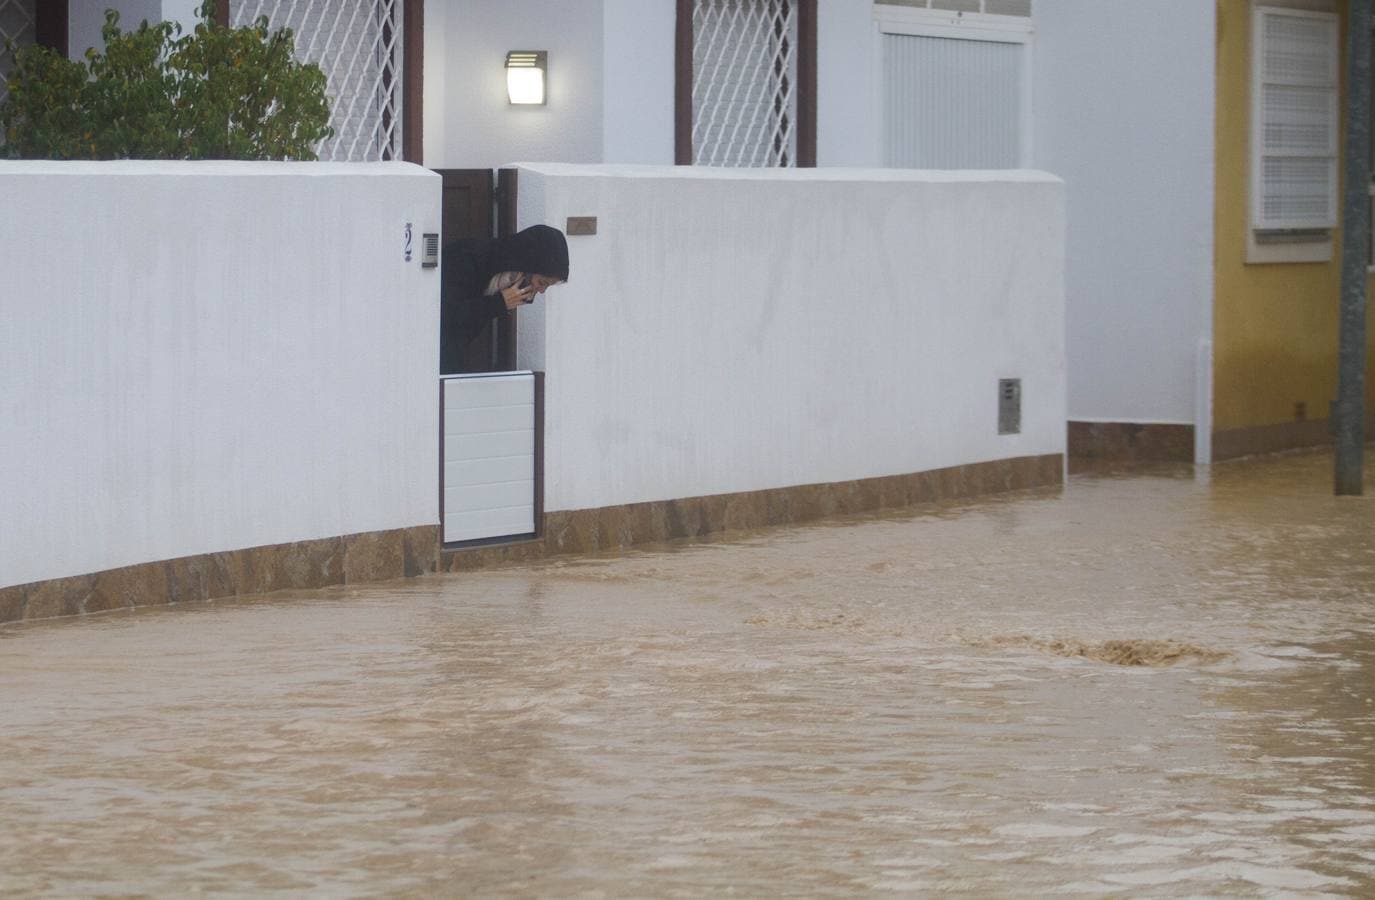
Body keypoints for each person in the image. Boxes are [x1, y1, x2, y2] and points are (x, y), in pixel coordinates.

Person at [440, 224, 569, 374]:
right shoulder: (467, 258)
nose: (541, 291)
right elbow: (444, 315)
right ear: (524, 266)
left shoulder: (499, 282)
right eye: (541, 283)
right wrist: (498, 303)